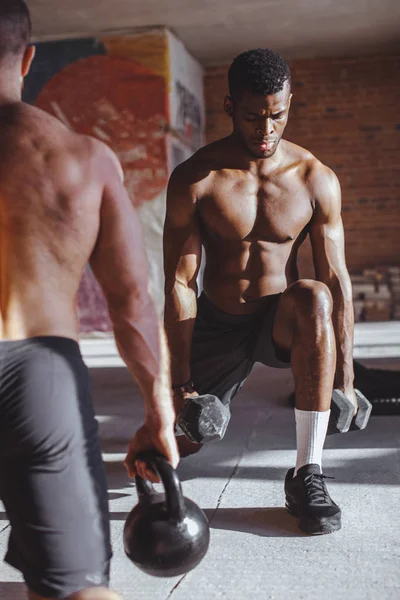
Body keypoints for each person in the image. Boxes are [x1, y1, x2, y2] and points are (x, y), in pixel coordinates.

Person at [0, 2, 179, 599]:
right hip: (38, 373)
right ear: (28, 58)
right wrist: (159, 411)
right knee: (76, 589)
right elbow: (132, 300)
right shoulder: (84, 159)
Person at [164, 48, 357, 536]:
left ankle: (307, 472)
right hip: (218, 321)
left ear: (290, 101)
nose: (266, 130)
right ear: (230, 106)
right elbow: (181, 283)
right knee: (181, 443)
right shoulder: (196, 178)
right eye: (253, 117)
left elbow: (335, 279)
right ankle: (181, 422)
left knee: (314, 295)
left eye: (277, 115)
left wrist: (347, 378)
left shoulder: (316, 179)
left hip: (280, 319)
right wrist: (180, 385)